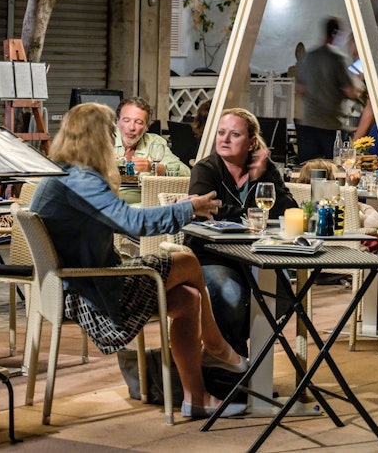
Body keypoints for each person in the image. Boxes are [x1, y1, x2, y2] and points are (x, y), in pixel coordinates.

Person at [28, 103, 247, 419]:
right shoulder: (82, 180)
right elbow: (131, 224)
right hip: (93, 290)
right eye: (110, 132)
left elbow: (125, 218)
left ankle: (196, 398)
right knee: (185, 259)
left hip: (77, 283)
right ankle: (216, 346)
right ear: (97, 137)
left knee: (188, 299)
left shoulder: (64, 173)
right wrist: (188, 210)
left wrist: (180, 206)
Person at [187, 108, 297, 355]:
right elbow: (206, 210)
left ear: (251, 142)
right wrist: (254, 214)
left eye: (234, 134)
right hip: (213, 255)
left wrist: (259, 176)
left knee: (282, 297)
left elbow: (289, 210)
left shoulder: (264, 169)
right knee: (230, 295)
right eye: (221, 133)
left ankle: (232, 356)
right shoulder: (206, 169)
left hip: (259, 254)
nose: (224, 140)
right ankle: (234, 363)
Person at [295, 18, 357, 161]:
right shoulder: (337, 59)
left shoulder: (310, 56)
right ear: (336, 34)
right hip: (330, 124)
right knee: (333, 168)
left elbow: (299, 88)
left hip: (308, 122)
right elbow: (350, 91)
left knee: (308, 168)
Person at [114, 96, 189, 176]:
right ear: (117, 121)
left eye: (139, 122)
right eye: (126, 121)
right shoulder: (103, 138)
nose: (131, 127)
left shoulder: (155, 142)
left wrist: (153, 167)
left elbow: (186, 172)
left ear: (147, 126)